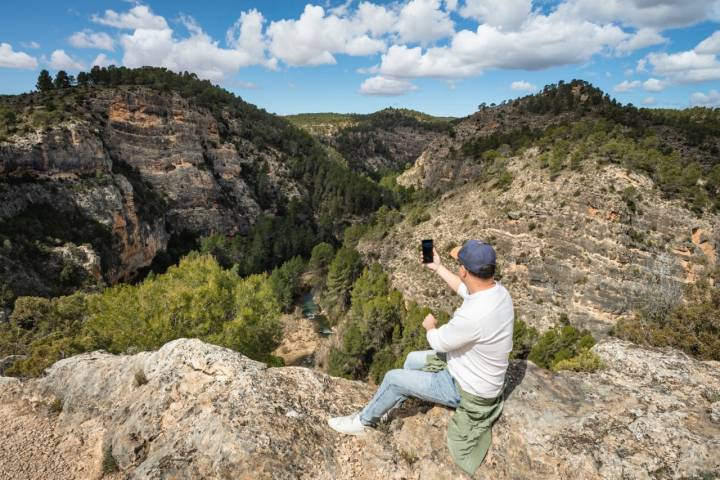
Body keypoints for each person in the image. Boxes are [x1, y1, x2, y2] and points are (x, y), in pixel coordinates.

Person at [327, 239, 515, 439]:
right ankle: (391, 404)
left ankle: (362, 422)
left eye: (459, 265)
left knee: (392, 378)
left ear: (464, 271)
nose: (459, 268)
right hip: (476, 373)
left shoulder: (473, 315)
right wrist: (438, 267)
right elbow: (464, 289)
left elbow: (439, 342)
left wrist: (430, 327)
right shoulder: (498, 293)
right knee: (412, 359)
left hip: (467, 390)